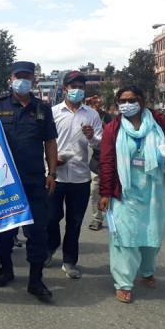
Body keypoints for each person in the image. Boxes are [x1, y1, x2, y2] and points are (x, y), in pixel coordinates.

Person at [98, 85, 165, 303]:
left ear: (142, 101)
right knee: (123, 236)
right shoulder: (113, 129)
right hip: (124, 190)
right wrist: (105, 193)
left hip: (153, 187)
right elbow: (106, 163)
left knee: (151, 231)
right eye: (122, 101)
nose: (126, 104)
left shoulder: (158, 121)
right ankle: (124, 281)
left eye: (131, 100)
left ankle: (146, 270)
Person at [0, 60, 57, 299]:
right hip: (3, 181)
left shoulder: (43, 109)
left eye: (27, 77)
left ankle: (35, 280)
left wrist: (52, 173)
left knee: (37, 231)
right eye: (18, 77)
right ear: (11, 79)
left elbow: (50, 142)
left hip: (34, 179)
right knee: (4, 230)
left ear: (34, 81)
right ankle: (5, 269)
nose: (22, 81)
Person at [45, 72, 102, 279]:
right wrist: (52, 161)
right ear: (64, 89)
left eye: (81, 86)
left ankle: (70, 261)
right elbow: (44, 141)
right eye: (73, 86)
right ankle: (50, 247)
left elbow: (99, 144)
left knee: (75, 222)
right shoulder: (52, 112)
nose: (77, 90)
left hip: (80, 176)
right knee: (51, 218)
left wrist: (92, 136)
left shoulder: (91, 115)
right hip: (54, 175)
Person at [86, 95, 113, 231]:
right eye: (92, 103)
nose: (95, 104)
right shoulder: (87, 117)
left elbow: (115, 133)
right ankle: (97, 218)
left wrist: (104, 126)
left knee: (113, 192)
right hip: (97, 162)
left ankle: (115, 218)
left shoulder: (109, 118)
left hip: (113, 161)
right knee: (95, 191)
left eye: (97, 102)